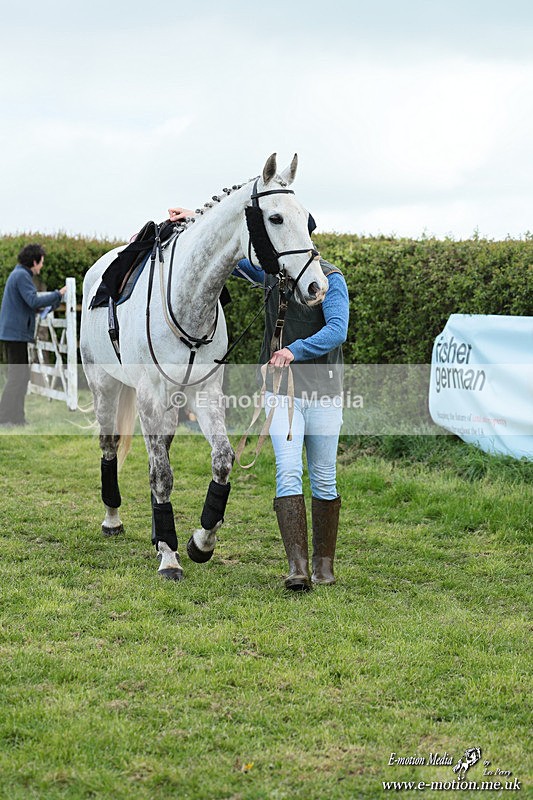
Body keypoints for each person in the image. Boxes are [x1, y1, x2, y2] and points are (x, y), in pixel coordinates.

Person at [168, 205, 349, 592]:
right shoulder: (272, 277)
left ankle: (324, 566)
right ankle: (298, 569)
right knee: (288, 470)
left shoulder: (332, 279)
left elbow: (337, 330)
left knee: (324, 476)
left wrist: (293, 350)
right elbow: (229, 257)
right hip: (281, 393)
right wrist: (193, 220)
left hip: (324, 396)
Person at [0, 244, 66, 426]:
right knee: (17, 378)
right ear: (34, 261)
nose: (41, 266)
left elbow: (32, 305)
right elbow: (33, 300)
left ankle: (17, 418)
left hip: (15, 334)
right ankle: (4, 418)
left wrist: (52, 302)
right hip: (15, 335)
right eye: (41, 262)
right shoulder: (21, 275)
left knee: (21, 377)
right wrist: (57, 294)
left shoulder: (20, 274)